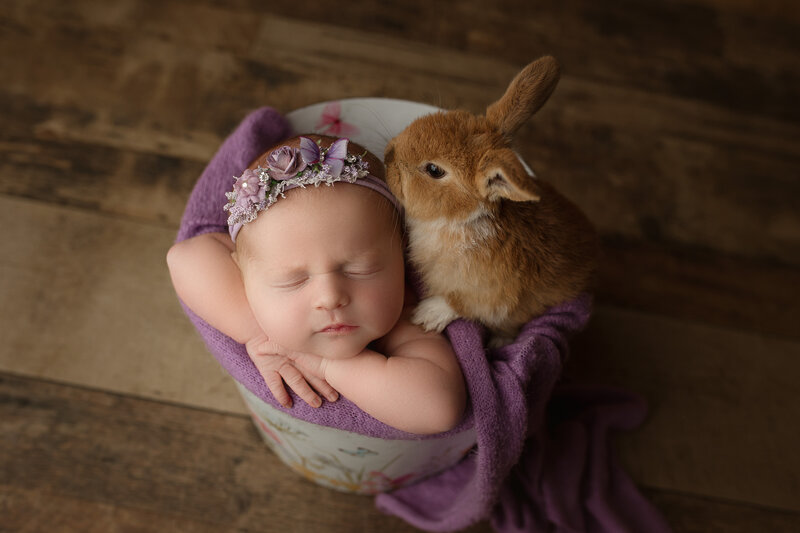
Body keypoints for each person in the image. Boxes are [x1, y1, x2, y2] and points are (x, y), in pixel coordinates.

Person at [167, 134, 466, 435]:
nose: (330, 297)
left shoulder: (405, 320)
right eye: (293, 280)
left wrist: (323, 365)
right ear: (242, 273)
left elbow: (438, 409)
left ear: (403, 253)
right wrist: (258, 336)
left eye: (360, 269)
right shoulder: (251, 279)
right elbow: (185, 258)